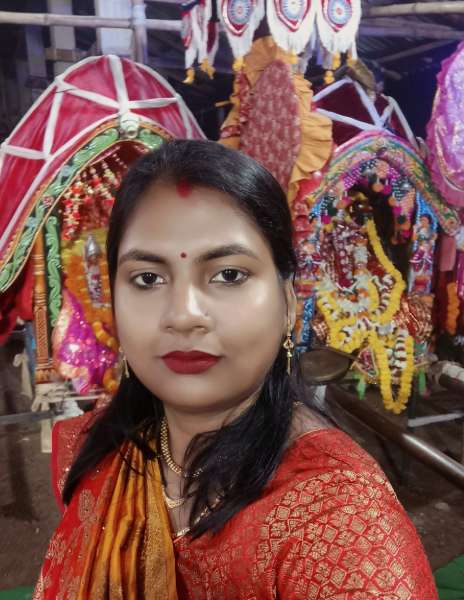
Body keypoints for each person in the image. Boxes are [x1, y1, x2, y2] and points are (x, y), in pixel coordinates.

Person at [34, 140, 437, 599]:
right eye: (147, 278)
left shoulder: (342, 525)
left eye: (228, 275)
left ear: (288, 302)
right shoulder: (100, 454)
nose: (183, 315)